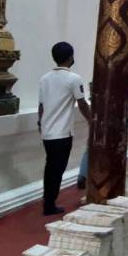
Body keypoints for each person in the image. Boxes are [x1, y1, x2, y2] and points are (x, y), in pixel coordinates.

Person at [38, 42, 91, 215]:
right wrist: (92, 121)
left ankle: (48, 200)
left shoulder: (45, 78)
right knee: (57, 169)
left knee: (50, 167)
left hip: (47, 131)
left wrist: (40, 124)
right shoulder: (74, 79)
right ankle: (49, 205)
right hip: (62, 132)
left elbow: (41, 105)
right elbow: (82, 103)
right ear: (70, 57)